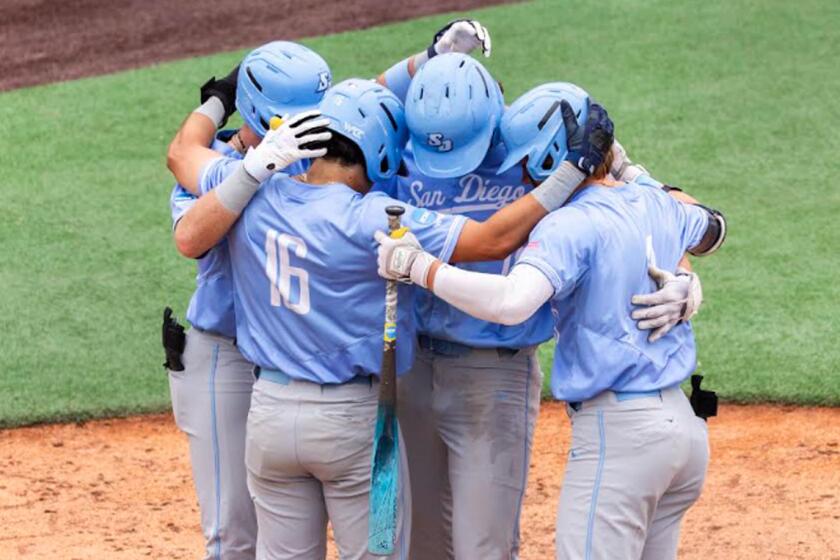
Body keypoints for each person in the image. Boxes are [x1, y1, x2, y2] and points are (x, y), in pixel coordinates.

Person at [375, 26, 703, 557]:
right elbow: (348, 120)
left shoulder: (531, 147)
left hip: (493, 372)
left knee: (484, 543)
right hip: (413, 364)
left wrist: (686, 277)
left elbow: (642, 213)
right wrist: (423, 61)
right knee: (418, 543)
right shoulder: (409, 138)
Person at [164, 41, 331, 560]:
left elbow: (371, 97)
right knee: (234, 533)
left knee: (300, 532)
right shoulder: (211, 167)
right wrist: (249, 162)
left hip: (298, 365)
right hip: (226, 359)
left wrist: (423, 59)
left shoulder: (328, 162)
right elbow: (192, 237)